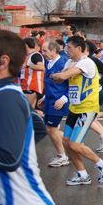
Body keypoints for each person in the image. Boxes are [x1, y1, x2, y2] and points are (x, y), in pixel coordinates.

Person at [0, 29, 92, 205]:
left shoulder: (7, 97)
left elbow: (9, 158)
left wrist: (20, 147)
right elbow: (38, 127)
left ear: (2, 62)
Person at [51, 36, 103, 186]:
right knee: (66, 142)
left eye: (69, 48)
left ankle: (102, 164)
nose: (66, 50)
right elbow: (58, 78)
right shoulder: (70, 62)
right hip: (74, 107)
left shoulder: (86, 62)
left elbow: (62, 76)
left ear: (79, 48)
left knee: (74, 144)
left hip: (88, 108)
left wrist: (59, 74)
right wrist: (59, 75)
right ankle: (83, 174)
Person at [38, 40, 70, 168]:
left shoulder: (63, 63)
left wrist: (63, 99)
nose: (43, 53)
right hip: (50, 100)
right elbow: (50, 83)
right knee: (49, 129)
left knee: (50, 129)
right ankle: (74, 143)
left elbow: (71, 85)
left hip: (58, 102)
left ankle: (62, 156)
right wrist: (45, 97)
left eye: (45, 50)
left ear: (53, 50)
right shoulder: (49, 63)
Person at [20, 37, 45, 109]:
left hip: (32, 86)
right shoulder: (29, 56)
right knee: (30, 111)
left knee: (25, 109)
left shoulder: (35, 55)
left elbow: (41, 67)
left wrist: (27, 66)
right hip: (28, 86)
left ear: (26, 45)